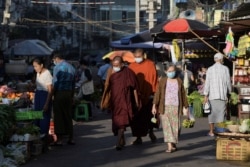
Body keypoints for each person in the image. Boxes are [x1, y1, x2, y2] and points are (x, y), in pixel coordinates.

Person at [101, 56, 140, 150]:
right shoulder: (111, 72)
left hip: (125, 101)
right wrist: (106, 100)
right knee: (117, 122)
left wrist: (136, 101)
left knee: (122, 121)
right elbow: (107, 86)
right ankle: (121, 140)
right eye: (114, 65)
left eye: (117, 65)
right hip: (115, 101)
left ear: (122, 64)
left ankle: (118, 142)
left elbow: (134, 88)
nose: (115, 67)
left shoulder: (128, 73)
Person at [152, 63, 189, 153]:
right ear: (165, 71)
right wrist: (154, 105)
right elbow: (158, 94)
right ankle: (169, 146)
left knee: (176, 127)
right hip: (164, 107)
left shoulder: (179, 81)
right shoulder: (163, 81)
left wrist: (186, 106)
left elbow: (183, 94)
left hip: (176, 107)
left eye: (173, 71)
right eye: (169, 71)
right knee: (167, 127)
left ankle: (173, 143)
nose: (171, 73)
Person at [129, 48, 158, 145]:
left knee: (149, 116)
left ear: (143, 55)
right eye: (136, 57)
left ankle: (151, 132)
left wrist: (154, 92)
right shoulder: (131, 66)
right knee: (136, 119)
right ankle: (138, 137)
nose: (137, 59)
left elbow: (154, 79)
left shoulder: (150, 64)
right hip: (136, 97)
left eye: (139, 57)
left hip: (148, 95)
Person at [203, 53, 232, 137]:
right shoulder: (225, 69)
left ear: (215, 59)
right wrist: (230, 92)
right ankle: (220, 131)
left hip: (212, 95)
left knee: (211, 114)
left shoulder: (210, 69)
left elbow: (207, 83)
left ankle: (211, 131)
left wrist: (205, 95)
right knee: (221, 114)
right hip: (222, 95)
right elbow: (228, 82)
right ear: (221, 59)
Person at [52, 52, 76, 145]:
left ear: (57, 58)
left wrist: (52, 95)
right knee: (68, 115)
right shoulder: (71, 67)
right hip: (69, 93)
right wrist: (72, 95)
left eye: (54, 60)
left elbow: (55, 83)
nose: (54, 62)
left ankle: (60, 139)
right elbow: (73, 83)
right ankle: (71, 138)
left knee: (58, 116)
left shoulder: (57, 67)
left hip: (59, 93)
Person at [32, 57, 53, 144]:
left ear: (41, 65)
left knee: (44, 118)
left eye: (36, 66)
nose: (35, 68)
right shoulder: (38, 73)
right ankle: (37, 140)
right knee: (37, 116)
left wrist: (47, 104)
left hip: (45, 96)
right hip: (38, 95)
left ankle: (44, 141)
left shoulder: (47, 73)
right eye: (34, 66)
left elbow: (50, 90)